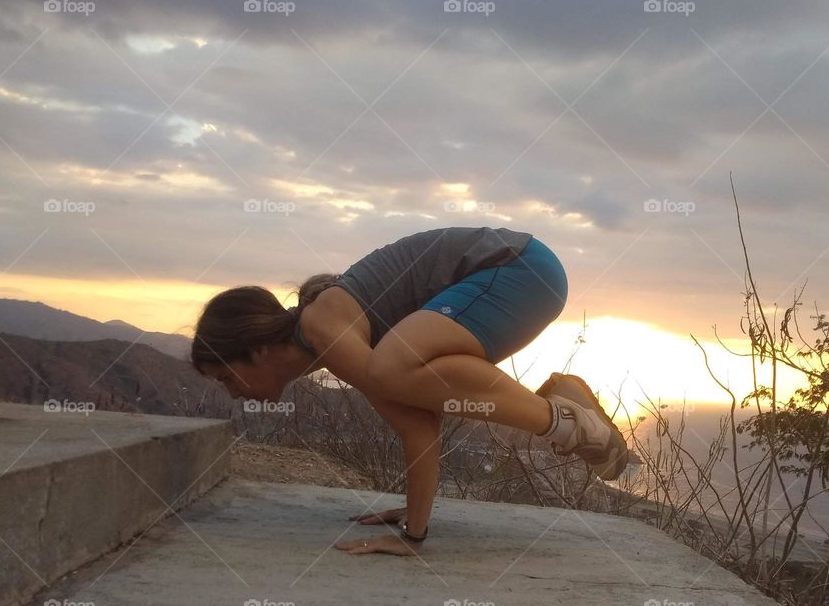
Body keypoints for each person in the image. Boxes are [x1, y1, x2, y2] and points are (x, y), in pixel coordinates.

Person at [190, 226, 629, 557]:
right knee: (407, 375)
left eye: (226, 377)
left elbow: (416, 423)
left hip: (520, 269)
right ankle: (565, 413)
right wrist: (414, 514)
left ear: (258, 351)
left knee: (392, 368)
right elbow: (417, 420)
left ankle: (569, 423)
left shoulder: (322, 326)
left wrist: (413, 537)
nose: (232, 394)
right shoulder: (335, 342)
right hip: (523, 274)